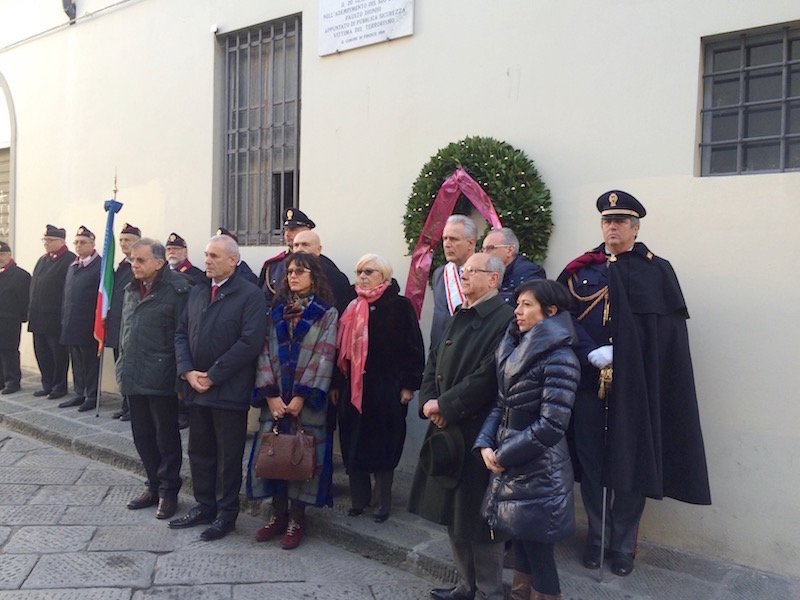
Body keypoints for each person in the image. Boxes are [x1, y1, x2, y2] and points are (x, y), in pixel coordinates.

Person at [558, 190, 711, 577]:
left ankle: (622, 545)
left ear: (635, 227)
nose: (612, 227)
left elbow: (665, 337)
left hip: (636, 389)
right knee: (592, 463)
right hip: (590, 384)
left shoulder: (655, 270)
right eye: (607, 221)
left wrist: (624, 355)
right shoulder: (581, 270)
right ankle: (597, 536)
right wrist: (590, 351)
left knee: (632, 464)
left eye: (620, 222)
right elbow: (561, 317)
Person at [408, 253, 514, 600]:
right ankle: (466, 586)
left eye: (471, 271)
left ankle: (489, 591)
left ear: (493, 279)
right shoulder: (460, 313)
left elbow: (487, 376)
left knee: (480, 521)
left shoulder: (504, 319)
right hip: (445, 428)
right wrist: (428, 402)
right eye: (462, 270)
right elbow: (434, 359)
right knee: (452, 514)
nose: (463, 275)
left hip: (476, 432)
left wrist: (447, 406)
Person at [474, 279, 580, 600]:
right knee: (521, 544)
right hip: (513, 462)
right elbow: (501, 404)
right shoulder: (515, 347)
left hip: (539, 469)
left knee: (539, 554)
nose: (517, 311)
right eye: (517, 303)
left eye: (526, 305)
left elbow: (551, 425)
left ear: (550, 312)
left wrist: (504, 455)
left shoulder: (560, 358)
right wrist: (485, 443)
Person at [170, 235, 267, 541]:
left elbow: (249, 342)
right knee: (199, 451)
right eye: (206, 255)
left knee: (227, 456)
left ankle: (226, 514)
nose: (207, 260)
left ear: (233, 261)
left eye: (214, 256)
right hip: (197, 388)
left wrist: (212, 375)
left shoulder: (249, 295)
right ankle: (204, 506)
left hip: (229, 390)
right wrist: (187, 371)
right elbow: (182, 332)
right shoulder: (199, 291)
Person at [247, 252, 338, 550]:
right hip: (276, 400)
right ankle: (277, 515)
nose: (293, 276)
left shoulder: (326, 313)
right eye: (289, 272)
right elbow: (263, 352)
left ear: (314, 276)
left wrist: (301, 396)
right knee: (274, 456)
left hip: (306, 402)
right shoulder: (275, 310)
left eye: (300, 271)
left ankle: (298, 518)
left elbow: (324, 356)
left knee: (301, 457)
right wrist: (271, 395)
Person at [335, 254, 424, 523]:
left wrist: (409, 385)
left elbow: (413, 348)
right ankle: (359, 500)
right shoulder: (350, 305)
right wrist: (337, 385)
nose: (362, 276)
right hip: (353, 387)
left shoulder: (399, 306)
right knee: (353, 442)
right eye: (359, 270)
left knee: (384, 445)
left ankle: (382, 501)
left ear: (384, 277)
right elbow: (339, 352)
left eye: (369, 271)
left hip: (386, 389)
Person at [116, 238, 190, 520]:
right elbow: (126, 331)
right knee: (142, 436)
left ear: (159, 263)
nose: (134, 265)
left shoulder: (179, 290)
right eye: (133, 260)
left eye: (140, 260)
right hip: (134, 374)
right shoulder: (131, 288)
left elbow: (183, 337)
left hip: (162, 376)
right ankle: (153, 485)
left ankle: (169, 491)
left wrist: (179, 379)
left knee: (166, 438)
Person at [27, 225, 75, 400]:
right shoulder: (44, 259)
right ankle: (46, 384)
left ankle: (59, 386)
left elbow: (67, 291)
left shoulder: (69, 260)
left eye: (50, 240)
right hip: (38, 316)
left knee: (58, 354)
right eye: (45, 240)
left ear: (61, 241)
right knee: (42, 353)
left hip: (54, 318)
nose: (46, 243)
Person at [58, 226, 102, 412]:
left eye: (83, 242)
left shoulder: (99, 266)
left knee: (90, 362)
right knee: (76, 360)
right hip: (71, 322)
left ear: (92, 244)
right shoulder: (74, 265)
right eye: (76, 242)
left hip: (88, 324)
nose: (78, 246)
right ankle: (79, 392)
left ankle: (91, 395)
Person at [107, 223, 141, 421]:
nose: (123, 244)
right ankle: (125, 403)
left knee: (131, 367)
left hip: (132, 326)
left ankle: (133, 407)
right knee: (120, 365)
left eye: (127, 240)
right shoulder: (121, 265)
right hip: (118, 324)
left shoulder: (140, 265)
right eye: (120, 240)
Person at [430, 214, 476, 352]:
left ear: (470, 243)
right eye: (445, 238)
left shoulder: (484, 272)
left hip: (468, 351)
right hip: (440, 352)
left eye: (454, 239)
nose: (447, 244)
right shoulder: (439, 274)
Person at [257, 207, 315, 304]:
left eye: (293, 229)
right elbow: (264, 299)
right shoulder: (274, 266)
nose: (287, 234)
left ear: (307, 231)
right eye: (286, 229)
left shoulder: (320, 264)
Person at [291, 229, 353, 314]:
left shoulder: (336, 279)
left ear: (318, 249)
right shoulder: (286, 274)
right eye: (296, 245)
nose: (299, 249)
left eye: (305, 245)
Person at [481, 227, 546, 305]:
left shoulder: (527, 271)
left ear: (509, 250)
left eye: (491, 248)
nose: (484, 254)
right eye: (483, 249)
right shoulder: (491, 272)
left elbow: (526, 304)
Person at [0, 242, 31, 395]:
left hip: (10, 319)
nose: (0, 258)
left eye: (2, 254)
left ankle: (13, 381)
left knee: (9, 350)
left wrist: (22, 317)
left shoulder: (21, 275)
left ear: (9, 255)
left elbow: (25, 299)